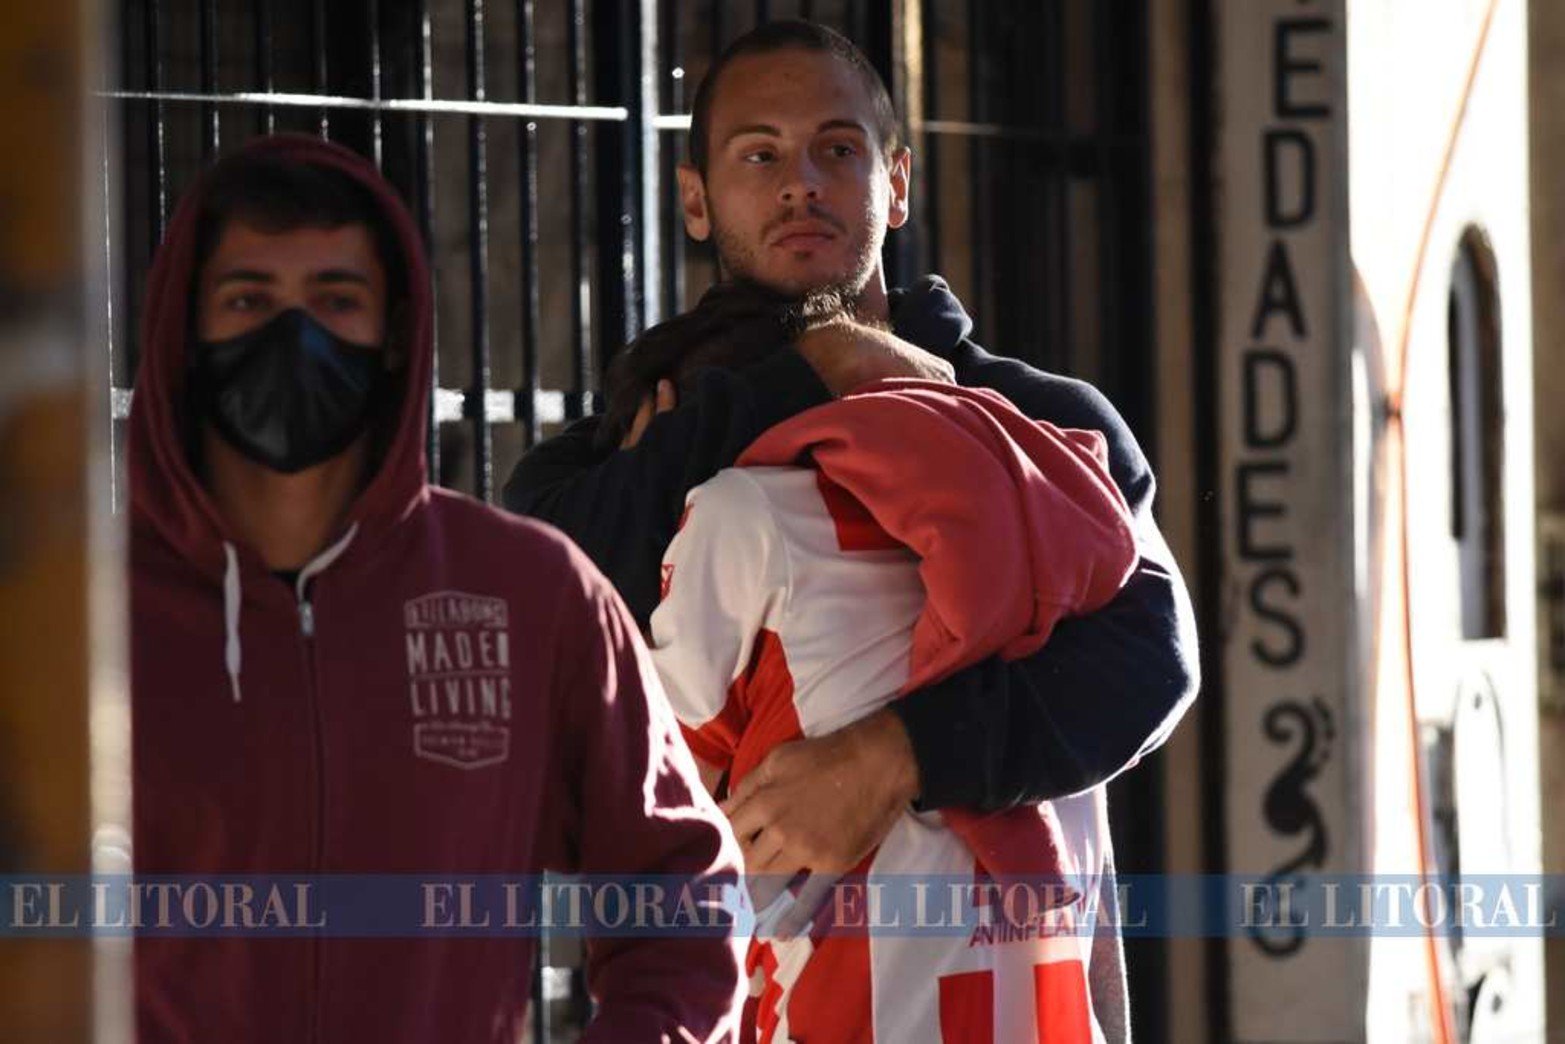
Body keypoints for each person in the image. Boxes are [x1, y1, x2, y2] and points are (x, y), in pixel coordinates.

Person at [503, 20, 1198, 902]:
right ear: (695, 199)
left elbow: (1150, 661)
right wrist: (818, 369)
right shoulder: (642, 427)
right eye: (759, 155)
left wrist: (896, 755)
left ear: (895, 183)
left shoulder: (1039, 419)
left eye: (836, 149)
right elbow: (538, 613)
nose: (800, 182)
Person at [127, 134, 743, 1043]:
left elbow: (679, 893)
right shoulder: (73, 615)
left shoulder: (525, 595)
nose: (294, 337)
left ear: (394, 336)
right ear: (187, 334)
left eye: (336, 300)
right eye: (248, 299)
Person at [621, 284, 1135, 1041]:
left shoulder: (742, 515)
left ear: (675, 412)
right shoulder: (1048, 535)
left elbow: (656, 805)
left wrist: (639, 482)